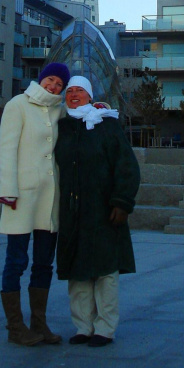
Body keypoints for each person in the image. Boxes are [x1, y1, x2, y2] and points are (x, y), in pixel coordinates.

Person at [54, 76, 141, 348]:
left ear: (90, 96)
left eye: (80, 90)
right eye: (70, 91)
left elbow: (126, 166)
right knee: (78, 273)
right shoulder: (62, 127)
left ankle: (105, 328)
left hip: (103, 210)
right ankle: (83, 326)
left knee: (105, 272)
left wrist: (122, 202)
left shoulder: (107, 125)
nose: (74, 94)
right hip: (73, 212)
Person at [0, 62, 70, 346]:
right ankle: (16, 327)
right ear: (41, 79)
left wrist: (99, 108)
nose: (53, 87)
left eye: (59, 85)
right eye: (50, 80)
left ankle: (39, 324)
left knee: (43, 264)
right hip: (21, 195)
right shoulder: (18, 105)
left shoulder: (59, 110)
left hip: (49, 198)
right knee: (16, 261)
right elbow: (6, 148)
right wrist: (8, 189)